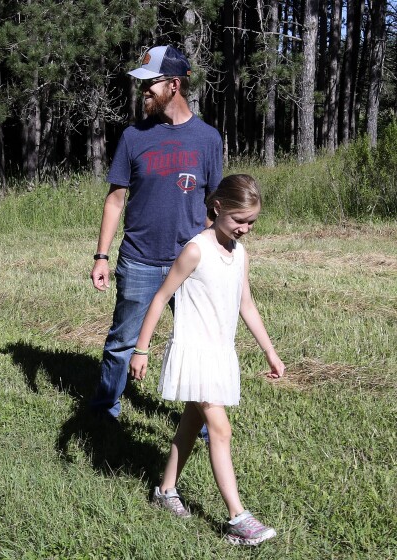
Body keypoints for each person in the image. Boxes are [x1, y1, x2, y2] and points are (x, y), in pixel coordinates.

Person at [129, 174, 284, 546]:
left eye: (252, 222)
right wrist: (141, 349)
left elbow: (246, 304)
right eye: (239, 220)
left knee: (188, 426)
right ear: (217, 208)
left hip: (219, 354)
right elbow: (160, 296)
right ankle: (237, 518)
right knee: (220, 430)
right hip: (193, 352)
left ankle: (166, 491)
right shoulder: (196, 249)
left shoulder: (240, 253)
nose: (246, 229)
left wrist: (270, 351)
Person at [90, 45, 223, 420]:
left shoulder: (208, 139)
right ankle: (104, 412)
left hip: (190, 263)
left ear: (175, 85)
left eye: (151, 83)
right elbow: (115, 200)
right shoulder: (134, 136)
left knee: (196, 344)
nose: (143, 89)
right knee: (121, 341)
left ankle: (198, 420)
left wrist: (212, 256)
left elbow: (214, 206)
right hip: (139, 260)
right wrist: (101, 256)